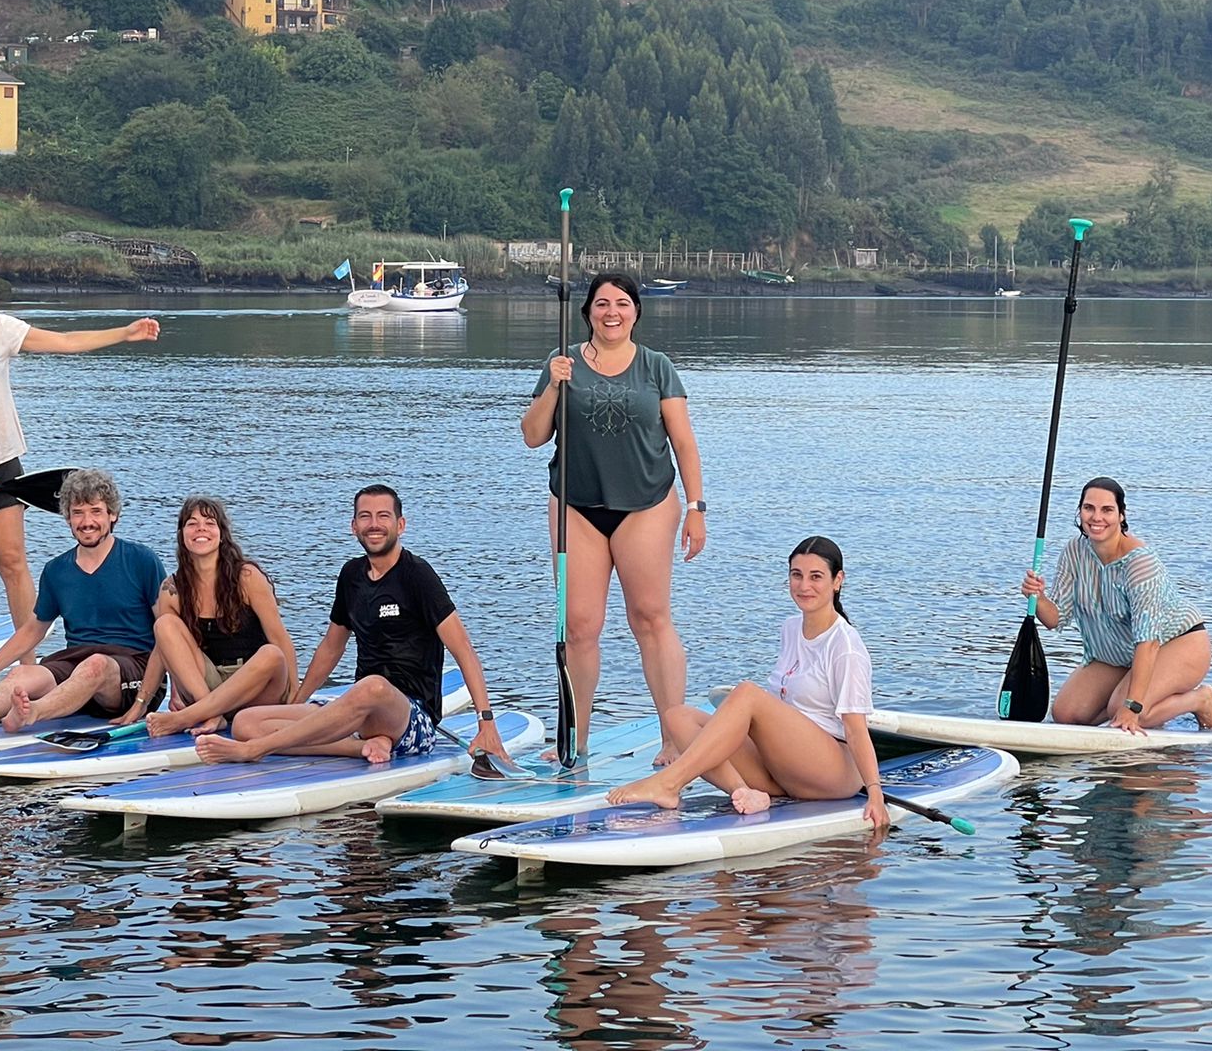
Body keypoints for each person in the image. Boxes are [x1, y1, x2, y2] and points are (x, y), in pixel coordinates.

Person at [0, 252, 160, 675]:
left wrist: (125, 333)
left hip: (1, 467)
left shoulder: (1, 331)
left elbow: (64, 343)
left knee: (11, 562)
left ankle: (28, 660)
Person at [521, 270, 706, 757]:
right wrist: (553, 388)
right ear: (587, 313)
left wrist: (696, 507)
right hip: (576, 506)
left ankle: (673, 737)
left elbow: (684, 442)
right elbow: (533, 435)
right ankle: (575, 739)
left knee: (650, 617)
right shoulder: (560, 364)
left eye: (622, 304)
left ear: (635, 312)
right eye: (602, 304)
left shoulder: (656, 367)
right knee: (579, 627)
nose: (612, 313)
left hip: (646, 503)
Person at [195, 484, 506, 766]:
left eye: (383, 516)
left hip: (410, 716)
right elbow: (332, 647)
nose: (374, 524)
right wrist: (300, 699)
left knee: (372, 687)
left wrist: (486, 722)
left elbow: (463, 648)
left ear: (400, 525)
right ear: (353, 526)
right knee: (246, 723)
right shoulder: (351, 576)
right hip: (359, 710)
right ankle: (359, 747)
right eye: (365, 516)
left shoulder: (418, 576)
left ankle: (256, 750)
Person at [608, 537, 889, 832]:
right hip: (785, 765)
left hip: (832, 770)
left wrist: (874, 791)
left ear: (837, 581)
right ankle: (744, 793)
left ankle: (669, 783)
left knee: (747, 694)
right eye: (797, 575)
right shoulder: (791, 628)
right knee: (677, 716)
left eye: (816, 576)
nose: (804, 586)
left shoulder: (844, 645)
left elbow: (855, 728)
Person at [0, 468, 166, 734]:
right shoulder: (57, 570)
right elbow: (32, 631)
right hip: (76, 666)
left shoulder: (141, 560)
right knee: (24, 674)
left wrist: (165, 696)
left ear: (112, 515)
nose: (87, 521)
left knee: (96, 664)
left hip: (133, 670)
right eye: (78, 513)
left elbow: (169, 631)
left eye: (95, 511)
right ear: (68, 518)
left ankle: (33, 712)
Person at [1020, 477, 1212, 733]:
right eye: (1088, 508)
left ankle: (1199, 699)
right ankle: (1141, 702)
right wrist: (1037, 597)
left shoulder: (1140, 564)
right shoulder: (1074, 551)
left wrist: (1132, 707)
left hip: (1177, 643)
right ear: (1079, 512)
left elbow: (1147, 642)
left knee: (1125, 710)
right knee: (1066, 714)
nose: (1096, 517)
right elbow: (1055, 619)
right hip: (1119, 654)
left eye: (1107, 510)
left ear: (1121, 516)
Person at [138, 497, 299, 738]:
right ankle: (211, 714)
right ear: (182, 535)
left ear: (221, 534)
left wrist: (296, 700)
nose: (200, 528)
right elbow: (164, 650)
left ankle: (191, 716)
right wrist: (140, 704)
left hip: (254, 688)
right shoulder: (173, 588)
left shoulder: (247, 577)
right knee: (164, 624)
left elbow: (281, 640)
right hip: (207, 685)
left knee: (272, 654)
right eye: (191, 523)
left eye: (209, 522)